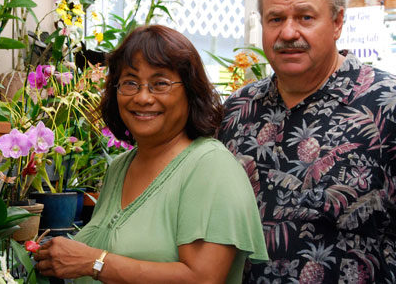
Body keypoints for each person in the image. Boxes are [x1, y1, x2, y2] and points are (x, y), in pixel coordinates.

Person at [33, 24, 268, 283]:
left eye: (160, 84)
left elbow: (203, 278)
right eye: (130, 83)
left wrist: (94, 262)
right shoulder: (119, 168)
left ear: (190, 92)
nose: (143, 97)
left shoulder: (210, 166)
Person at [218, 0, 396, 283]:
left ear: (338, 22)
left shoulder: (386, 105)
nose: (288, 33)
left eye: (305, 17)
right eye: (275, 19)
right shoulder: (237, 111)